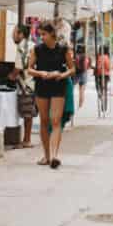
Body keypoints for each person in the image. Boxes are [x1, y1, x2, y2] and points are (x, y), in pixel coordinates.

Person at [32, 19, 74, 169]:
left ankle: (54, 155)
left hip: (58, 85)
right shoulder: (37, 49)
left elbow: (72, 69)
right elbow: (29, 69)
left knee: (55, 121)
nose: (41, 37)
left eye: (43, 34)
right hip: (42, 84)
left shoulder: (63, 49)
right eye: (40, 34)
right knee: (44, 121)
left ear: (51, 34)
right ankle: (46, 155)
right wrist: (40, 73)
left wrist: (61, 75)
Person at [11, 22, 36, 150]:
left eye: (14, 32)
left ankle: (26, 140)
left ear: (21, 34)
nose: (12, 35)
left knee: (27, 114)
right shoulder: (32, 45)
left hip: (26, 85)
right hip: (32, 84)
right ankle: (26, 139)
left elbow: (18, 68)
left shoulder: (22, 47)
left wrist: (10, 76)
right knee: (28, 113)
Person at [93, 41, 112, 115]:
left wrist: (95, 69)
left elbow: (98, 67)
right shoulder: (107, 57)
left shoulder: (100, 57)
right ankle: (104, 106)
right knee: (105, 90)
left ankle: (101, 97)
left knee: (99, 88)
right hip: (106, 75)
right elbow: (109, 67)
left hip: (99, 75)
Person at [72, 30, 90, 110]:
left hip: (76, 74)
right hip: (84, 74)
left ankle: (71, 104)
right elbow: (89, 65)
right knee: (81, 91)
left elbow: (73, 65)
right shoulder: (87, 56)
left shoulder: (76, 56)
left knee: (71, 90)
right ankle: (80, 106)